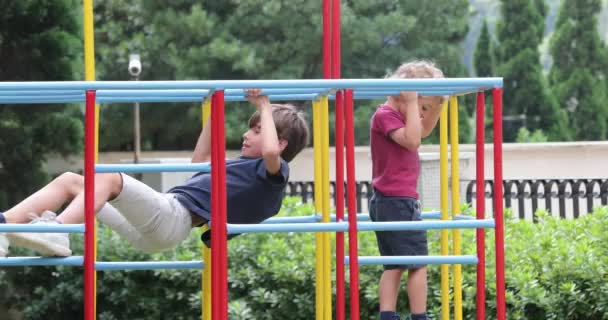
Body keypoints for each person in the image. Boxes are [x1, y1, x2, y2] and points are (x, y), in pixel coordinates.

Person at [0, 89, 309, 257]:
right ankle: (3, 227)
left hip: (173, 218)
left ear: (280, 142)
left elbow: (269, 151)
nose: (246, 134)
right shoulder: (239, 168)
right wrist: (216, 111)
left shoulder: (274, 172)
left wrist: (266, 105)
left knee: (109, 178)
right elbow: (200, 160)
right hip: (160, 227)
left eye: (256, 130)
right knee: (72, 181)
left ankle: (57, 232)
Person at [369, 60, 446, 320]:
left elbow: (421, 130)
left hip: (388, 201)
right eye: (420, 106)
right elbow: (414, 140)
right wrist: (414, 103)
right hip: (398, 202)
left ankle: (388, 315)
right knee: (417, 264)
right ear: (405, 95)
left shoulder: (394, 116)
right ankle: (419, 316)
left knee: (395, 264)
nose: (421, 114)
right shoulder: (385, 116)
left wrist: (436, 106)